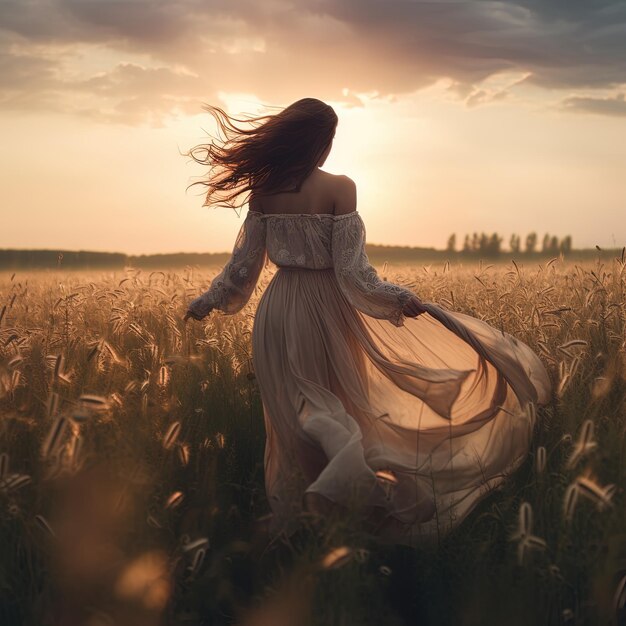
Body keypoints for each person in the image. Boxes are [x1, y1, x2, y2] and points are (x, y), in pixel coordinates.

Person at [184, 97, 552, 546]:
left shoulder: (265, 190)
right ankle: (347, 507)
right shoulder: (341, 187)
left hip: (279, 314)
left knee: (294, 416)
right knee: (337, 407)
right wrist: (398, 299)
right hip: (329, 310)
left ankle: (310, 515)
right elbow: (354, 273)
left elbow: (243, 268)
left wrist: (207, 302)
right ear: (322, 141)